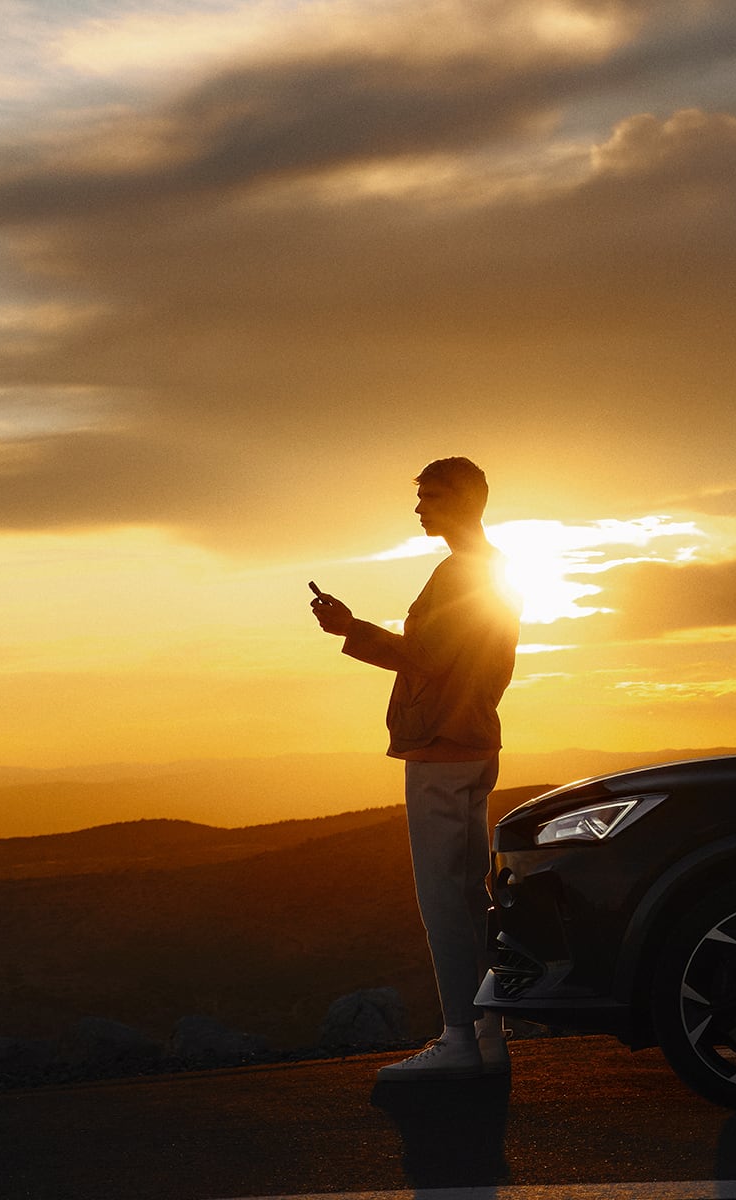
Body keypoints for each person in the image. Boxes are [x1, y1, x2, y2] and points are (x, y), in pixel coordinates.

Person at [310, 457, 522, 1081]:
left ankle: (460, 1039)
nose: (419, 508)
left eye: (429, 497)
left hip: (443, 748)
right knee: (466, 897)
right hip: (472, 743)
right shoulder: (491, 568)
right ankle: (487, 1033)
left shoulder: (464, 573)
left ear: (462, 502)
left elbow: (427, 657)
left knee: (444, 902)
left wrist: (350, 629)